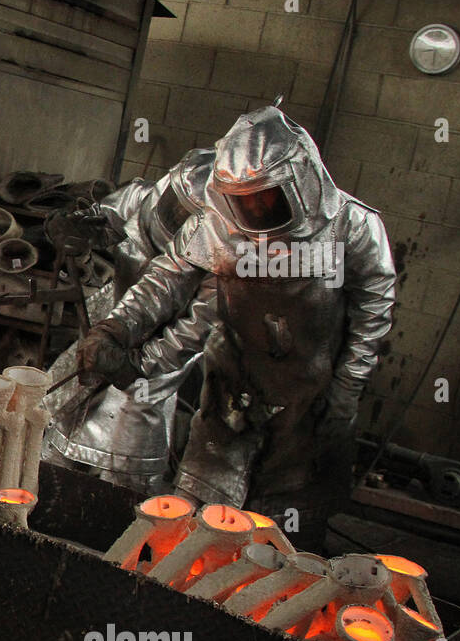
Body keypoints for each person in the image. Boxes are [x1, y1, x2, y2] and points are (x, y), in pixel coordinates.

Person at [77, 106, 395, 548]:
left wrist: (345, 390)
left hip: (310, 402)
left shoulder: (353, 227)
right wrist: (116, 330)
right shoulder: (219, 225)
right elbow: (166, 281)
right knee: (197, 528)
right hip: (231, 393)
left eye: (265, 197)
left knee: (282, 543)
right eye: (243, 200)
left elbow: (374, 310)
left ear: (300, 181)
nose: (254, 210)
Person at [45, 149, 218, 494]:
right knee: (55, 429)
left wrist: (130, 366)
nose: (177, 217)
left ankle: (114, 533)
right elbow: (99, 220)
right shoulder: (142, 199)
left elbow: (190, 336)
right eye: (175, 207)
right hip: (108, 322)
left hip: (152, 362)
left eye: (188, 216)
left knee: (122, 473)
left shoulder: (218, 263)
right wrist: (72, 227)